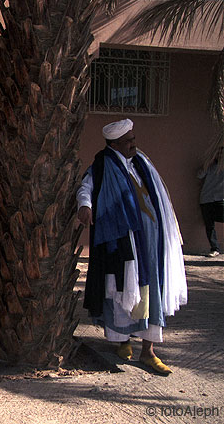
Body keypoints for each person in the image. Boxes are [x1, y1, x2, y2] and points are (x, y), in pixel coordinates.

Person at [77, 118, 187, 374]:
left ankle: (148, 352)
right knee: (120, 290)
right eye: (128, 142)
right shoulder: (102, 166)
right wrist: (85, 206)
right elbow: (86, 187)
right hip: (122, 242)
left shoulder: (142, 163)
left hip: (150, 243)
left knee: (152, 292)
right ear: (114, 144)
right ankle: (121, 341)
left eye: (133, 140)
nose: (133, 145)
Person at [197, 144, 224, 257]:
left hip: (220, 198)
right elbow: (199, 175)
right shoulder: (211, 166)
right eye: (218, 154)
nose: (219, 156)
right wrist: (208, 163)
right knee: (209, 225)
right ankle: (214, 248)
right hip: (207, 198)